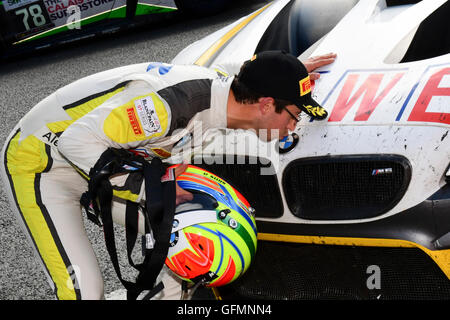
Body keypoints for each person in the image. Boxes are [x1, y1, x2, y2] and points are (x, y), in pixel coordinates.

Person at [0, 50, 336, 300]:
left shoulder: (229, 93)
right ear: (265, 104)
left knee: (196, 239)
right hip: (43, 161)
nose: (295, 126)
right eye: (294, 114)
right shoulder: (170, 106)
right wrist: (148, 190)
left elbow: (240, 71)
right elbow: (75, 142)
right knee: (83, 291)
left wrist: (291, 76)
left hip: (102, 160)